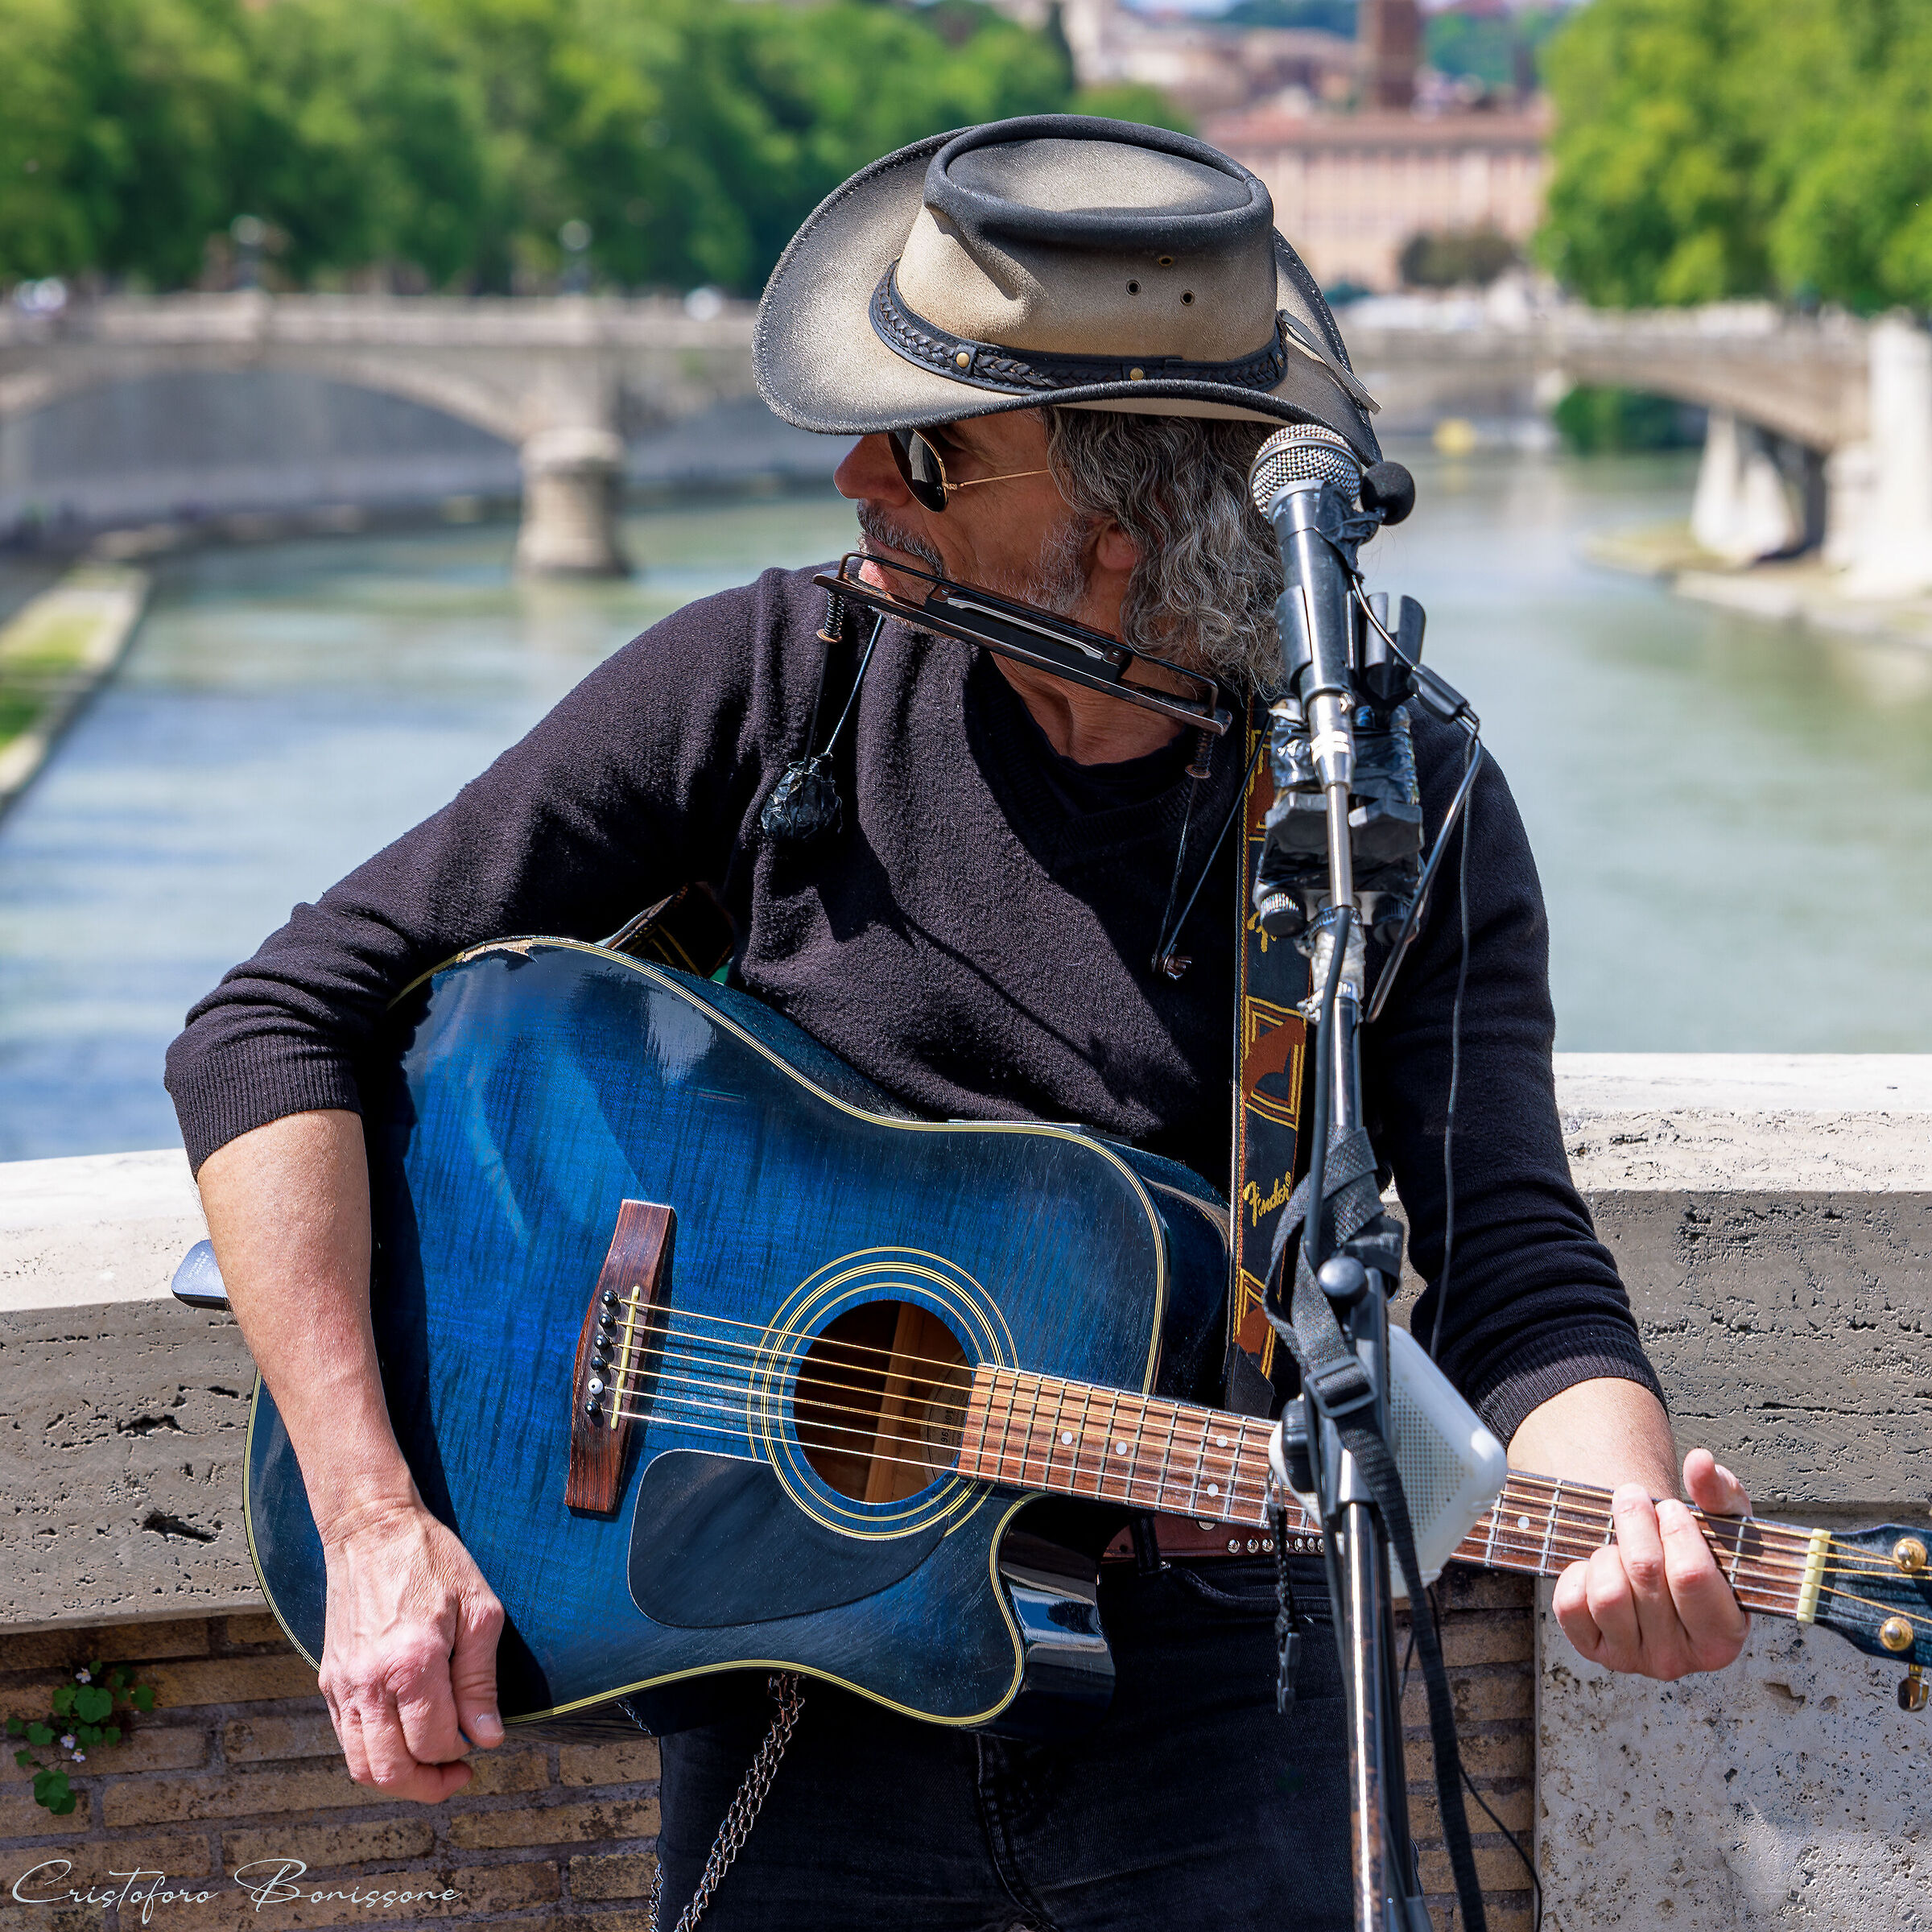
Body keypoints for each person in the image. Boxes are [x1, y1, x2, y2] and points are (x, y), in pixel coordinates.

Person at [167, 118, 1751, 1931]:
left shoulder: (1390, 807)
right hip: (800, 1690)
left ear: (1115, 522)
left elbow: (1513, 1265)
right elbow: (272, 1027)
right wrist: (374, 1515)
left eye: (927, 445)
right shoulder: (778, 685)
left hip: (1230, 1710)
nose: (855, 471)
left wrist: (1625, 1514)